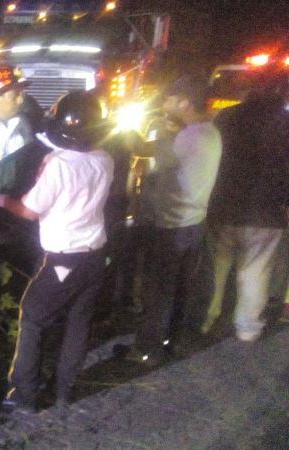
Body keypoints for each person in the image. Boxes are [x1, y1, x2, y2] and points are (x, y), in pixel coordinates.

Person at [0, 91, 114, 412]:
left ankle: (24, 394)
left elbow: (28, 211)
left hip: (63, 260)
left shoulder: (60, 166)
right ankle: (64, 391)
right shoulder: (105, 159)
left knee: (33, 317)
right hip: (94, 258)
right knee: (79, 322)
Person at [126, 75, 222, 363]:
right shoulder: (210, 133)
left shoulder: (188, 137)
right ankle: (173, 340)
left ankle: (146, 350)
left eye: (169, 99)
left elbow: (142, 149)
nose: (164, 104)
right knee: (182, 288)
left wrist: (127, 127)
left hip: (173, 225)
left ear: (184, 103)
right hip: (195, 223)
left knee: (159, 290)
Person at [200, 68, 289, 341]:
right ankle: (247, 328)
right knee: (255, 271)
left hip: (223, 205)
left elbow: (210, 156)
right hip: (266, 212)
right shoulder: (285, 123)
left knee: (218, 264)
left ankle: (206, 317)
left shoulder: (227, 118)